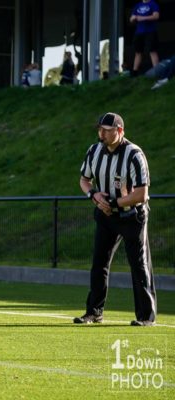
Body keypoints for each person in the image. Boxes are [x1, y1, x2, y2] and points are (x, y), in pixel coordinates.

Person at [75, 112, 156, 327]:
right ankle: (93, 312)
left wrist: (112, 203)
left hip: (132, 216)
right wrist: (94, 195)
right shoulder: (94, 151)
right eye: (99, 129)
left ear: (119, 131)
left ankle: (146, 317)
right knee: (99, 263)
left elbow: (142, 194)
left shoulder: (134, 154)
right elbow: (84, 180)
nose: (101, 133)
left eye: (106, 130)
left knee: (138, 264)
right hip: (106, 215)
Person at [130, 0, 160, 77]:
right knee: (138, 52)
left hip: (150, 32)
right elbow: (131, 19)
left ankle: (158, 72)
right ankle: (134, 74)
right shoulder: (137, 5)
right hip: (139, 32)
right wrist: (133, 18)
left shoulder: (153, 4)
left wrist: (143, 18)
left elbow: (156, 16)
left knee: (152, 51)